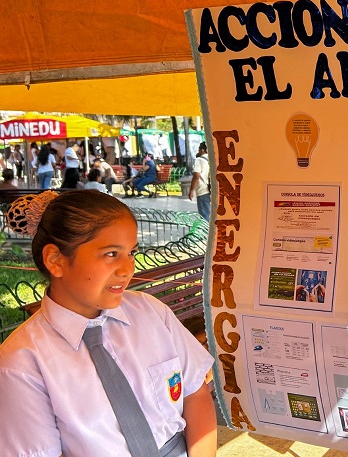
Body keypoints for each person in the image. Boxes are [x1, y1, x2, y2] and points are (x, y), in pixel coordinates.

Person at [0, 191, 216, 456]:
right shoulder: (21, 364)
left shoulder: (151, 313)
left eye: (131, 253)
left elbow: (194, 392)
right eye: (111, 254)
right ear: (56, 261)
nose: (127, 269)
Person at [188, 142, 211, 221]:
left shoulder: (199, 160)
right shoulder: (212, 159)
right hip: (211, 189)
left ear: (202, 150)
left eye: (199, 150)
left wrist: (191, 190)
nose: (198, 152)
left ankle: (206, 229)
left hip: (202, 190)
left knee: (204, 216)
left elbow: (196, 176)